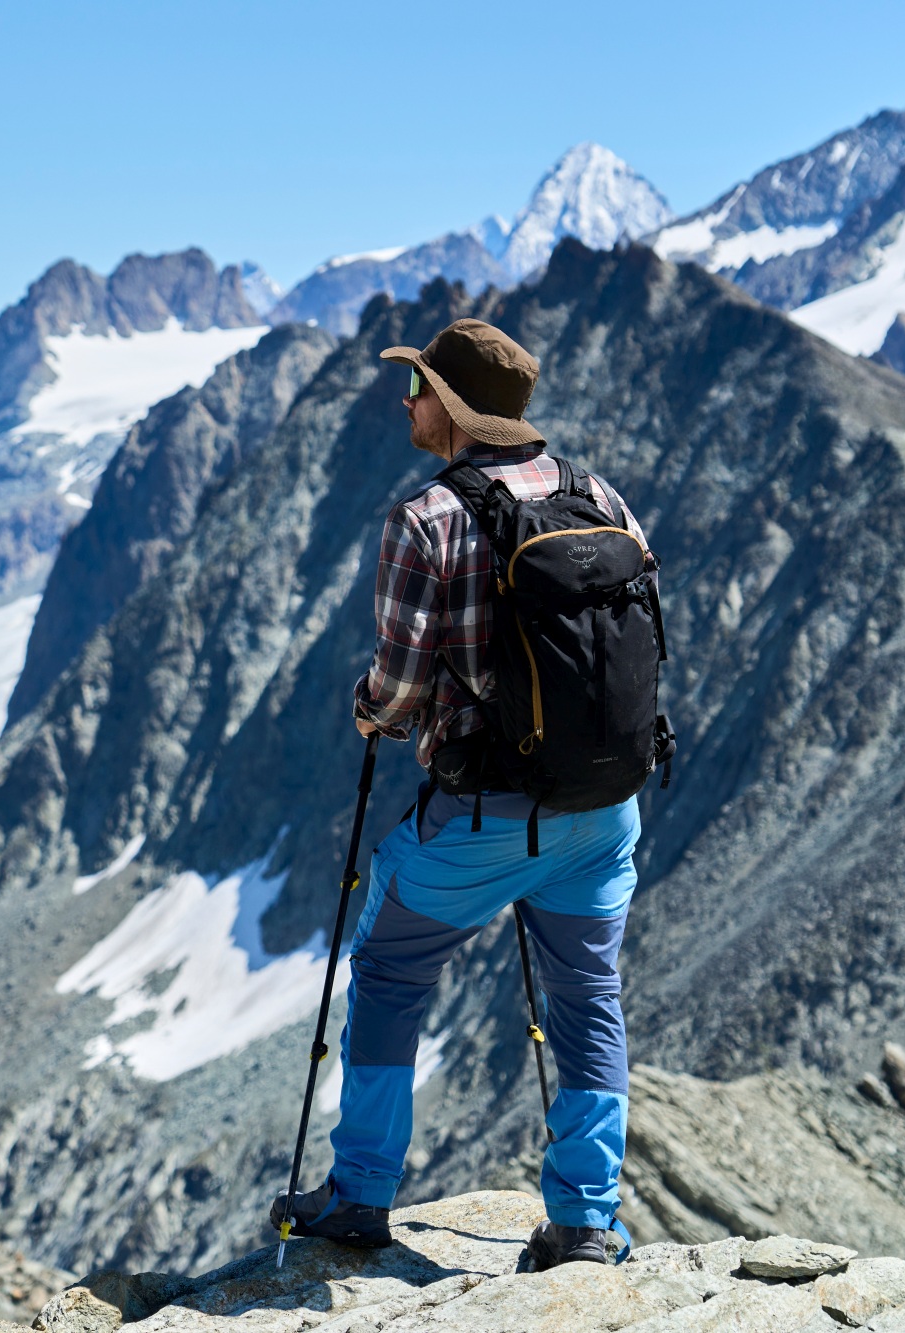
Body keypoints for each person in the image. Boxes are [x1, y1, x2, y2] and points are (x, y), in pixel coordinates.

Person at [270, 319, 652, 1270]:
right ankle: (585, 1218)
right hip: (604, 810)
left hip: (488, 819)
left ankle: (360, 1193)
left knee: (393, 971)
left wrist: (368, 710)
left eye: (418, 389)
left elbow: (398, 693)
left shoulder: (426, 519)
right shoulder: (600, 495)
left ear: (453, 407)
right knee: (587, 998)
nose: (406, 404)